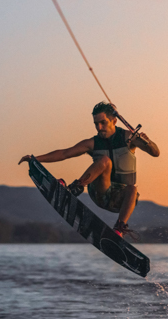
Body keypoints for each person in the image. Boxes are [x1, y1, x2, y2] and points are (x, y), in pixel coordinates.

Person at [18, 101, 160, 236]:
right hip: (100, 192)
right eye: (96, 124)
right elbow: (64, 153)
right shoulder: (92, 143)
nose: (99, 127)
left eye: (103, 123)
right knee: (105, 161)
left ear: (114, 121)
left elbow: (155, 153)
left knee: (133, 189)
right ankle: (73, 190)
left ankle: (119, 229)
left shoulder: (129, 137)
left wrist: (147, 141)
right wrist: (35, 159)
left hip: (120, 200)